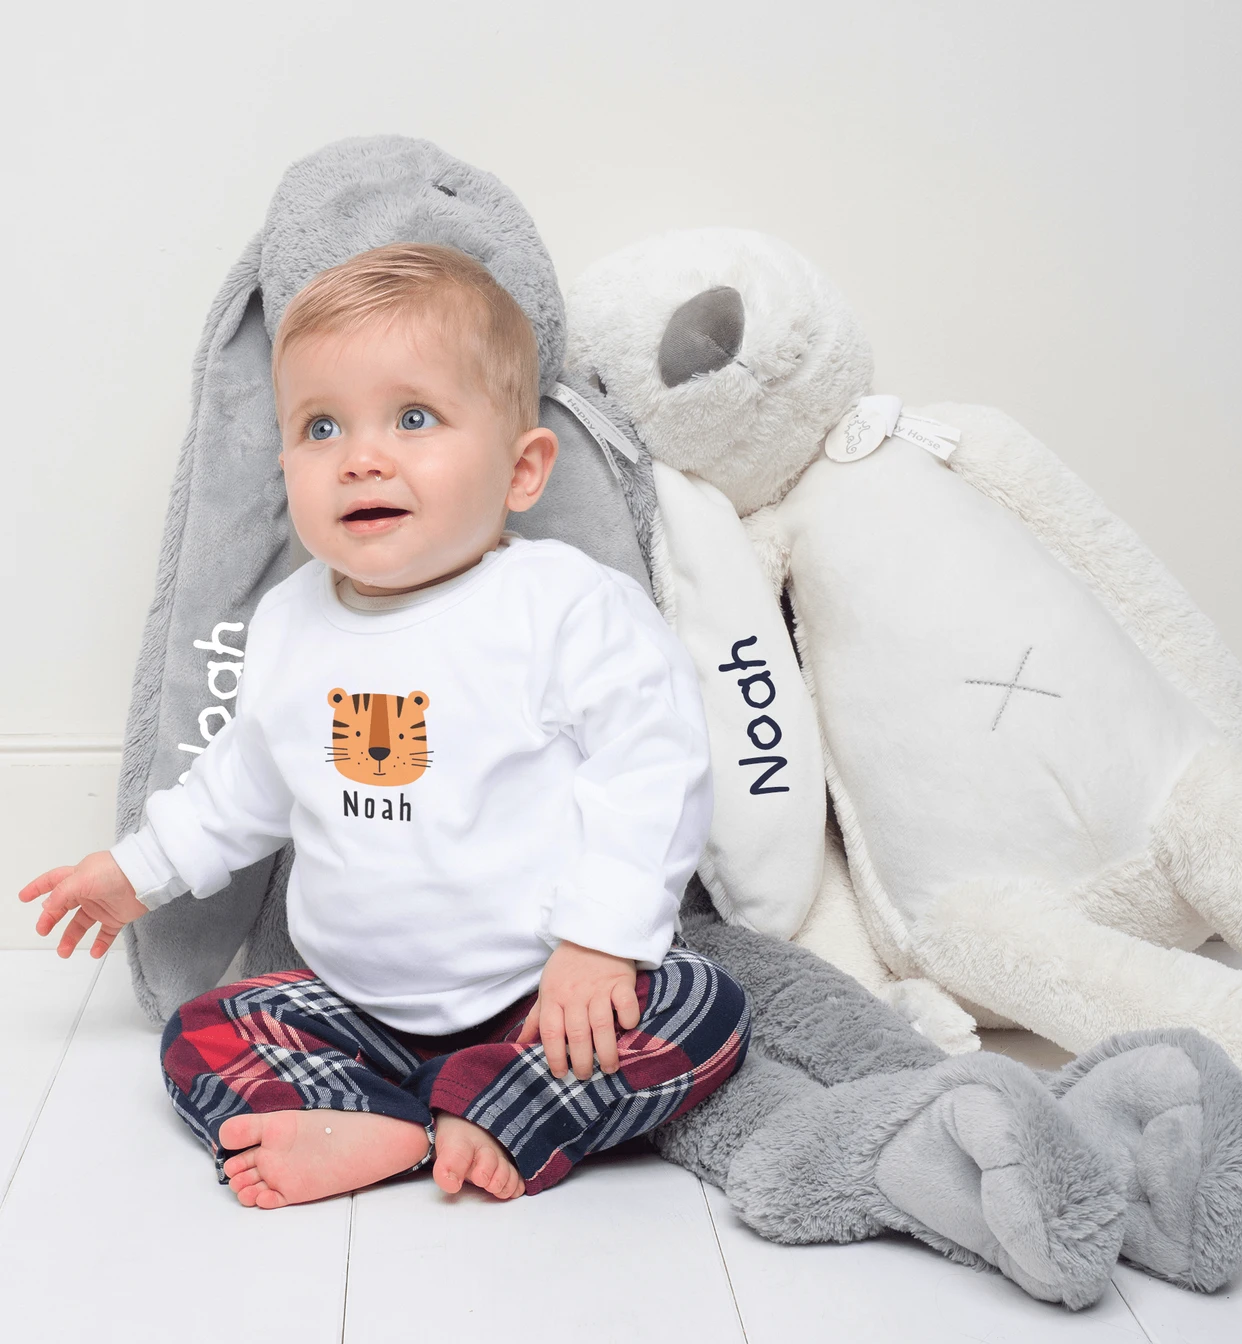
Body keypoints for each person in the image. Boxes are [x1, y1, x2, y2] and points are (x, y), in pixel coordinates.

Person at [17, 241, 751, 1210]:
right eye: (320, 426)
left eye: (413, 418)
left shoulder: (564, 606)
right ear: (286, 464)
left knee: (702, 1008)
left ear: (522, 469)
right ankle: (416, 1125)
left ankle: (467, 1109)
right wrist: (137, 869)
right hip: (354, 1007)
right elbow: (244, 782)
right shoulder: (291, 622)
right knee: (202, 1034)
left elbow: (651, 770)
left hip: (538, 993)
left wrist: (600, 942)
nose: (361, 456)